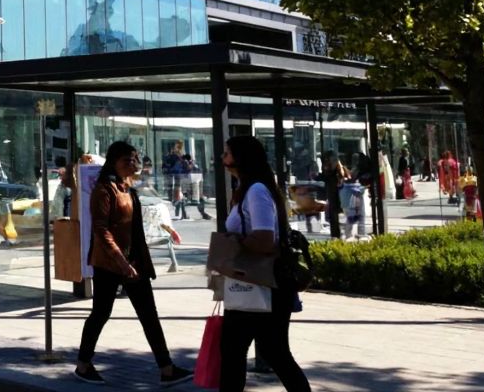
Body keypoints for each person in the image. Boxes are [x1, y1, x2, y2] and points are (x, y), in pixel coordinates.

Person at [73, 141, 192, 387]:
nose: (133, 163)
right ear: (114, 161)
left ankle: (166, 368)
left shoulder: (126, 186)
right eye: (127, 160)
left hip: (134, 261)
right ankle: (83, 364)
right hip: (110, 263)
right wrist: (120, 260)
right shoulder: (105, 189)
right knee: (100, 313)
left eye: (135, 159)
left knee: (149, 315)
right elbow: (101, 229)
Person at [219, 135, 310, 392]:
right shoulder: (247, 189)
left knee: (260, 351)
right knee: (259, 351)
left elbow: (265, 238)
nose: (222, 158)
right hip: (252, 282)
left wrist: (232, 242)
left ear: (241, 158)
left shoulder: (256, 190)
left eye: (227, 153)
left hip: (263, 282)